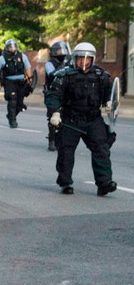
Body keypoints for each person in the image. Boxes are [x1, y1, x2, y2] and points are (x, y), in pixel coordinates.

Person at [45, 42, 117, 196]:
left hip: (93, 118)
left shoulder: (101, 76)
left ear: (92, 59)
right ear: (74, 58)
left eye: (87, 59)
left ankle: (104, 183)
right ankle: (65, 183)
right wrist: (55, 113)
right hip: (71, 118)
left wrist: (110, 104)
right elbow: (53, 96)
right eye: (80, 58)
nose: (83, 62)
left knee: (101, 149)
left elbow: (109, 94)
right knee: (66, 151)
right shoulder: (64, 75)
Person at [0, 39, 32, 128]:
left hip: (21, 82)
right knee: (12, 101)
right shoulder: (2, 59)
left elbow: (28, 68)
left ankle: (11, 115)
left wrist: (29, 78)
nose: (12, 48)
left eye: (14, 46)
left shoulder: (22, 56)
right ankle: (12, 121)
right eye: (10, 47)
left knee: (20, 103)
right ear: (7, 48)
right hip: (9, 82)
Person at [42, 40, 70, 152]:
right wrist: (63, 67)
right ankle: (52, 140)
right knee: (53, 116)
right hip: (52, 93)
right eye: (58, 51)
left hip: (66, 93)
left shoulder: (69, 62)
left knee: (65, 117)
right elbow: (52, 74)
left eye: (62, 50)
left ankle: (62, 140)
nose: (61, 53)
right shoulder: (50, 64)